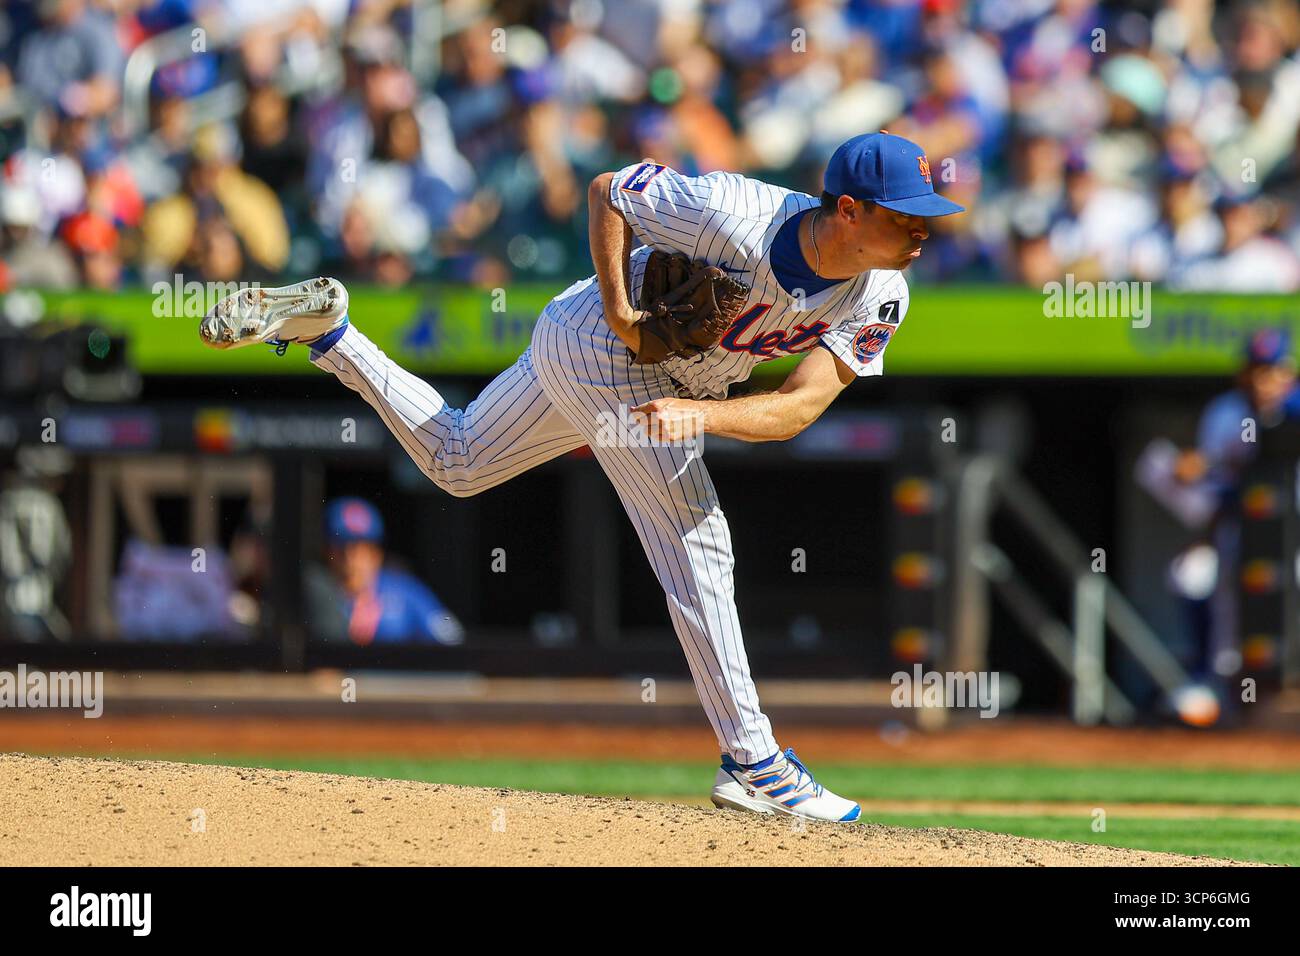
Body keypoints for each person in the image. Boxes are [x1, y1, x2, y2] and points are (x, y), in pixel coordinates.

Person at [199, 131, 965, 823]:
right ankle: (755, 763)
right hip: (600, 346)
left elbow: (799, 408)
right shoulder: (733, 212)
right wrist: (625, 311)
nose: (923, 233)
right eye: (907, 217)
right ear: (850, 210)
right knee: (699, 545)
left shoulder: (882, 295)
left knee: (459, 461)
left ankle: (331, 333)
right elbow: (608, 190)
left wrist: (703, 417)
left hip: (657, 382)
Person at [306, 497, 464, 647]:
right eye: (341, 546)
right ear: (326, 551)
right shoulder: (313, 593)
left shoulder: (404, 591)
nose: (350, 557)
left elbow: (453, 641)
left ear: (377, 552)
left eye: (361, 547)